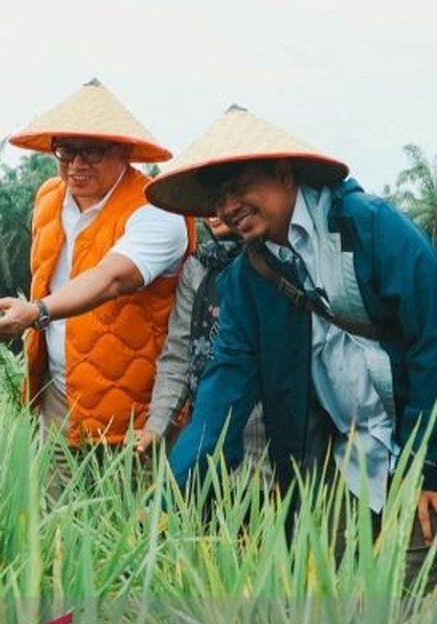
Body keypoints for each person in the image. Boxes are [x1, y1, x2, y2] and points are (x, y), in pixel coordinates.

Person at [147, 105, 437, 562]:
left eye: (239, 187)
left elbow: (432, 340)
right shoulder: (247, 281)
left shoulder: (369, 226)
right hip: (349, 463)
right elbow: (220, 400)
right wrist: (160, 508)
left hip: (417, 445)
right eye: (219, 197)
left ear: (283, 174)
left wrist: (429, 466)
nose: (227, 208)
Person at [0, 79, 193, 462]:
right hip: (60, 399)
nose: (77, 164)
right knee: (51, 517)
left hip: (135, 413)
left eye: (93, 152)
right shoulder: (48, 198)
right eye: (66, 151)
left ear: (124, 151)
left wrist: (37, 312)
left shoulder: (156, 211)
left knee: (131, 518)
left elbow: (113, 277)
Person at [133, 216, 271, 485]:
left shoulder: (276, 262)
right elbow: (178, 355)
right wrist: (157, 425)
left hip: (267, 433)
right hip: (205, 428)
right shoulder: (199, 266)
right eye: (210, 200)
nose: (214, 212)